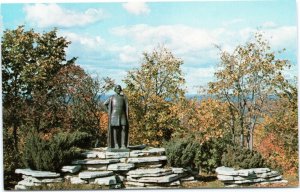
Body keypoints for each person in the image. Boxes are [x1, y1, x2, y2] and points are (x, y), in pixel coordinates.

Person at [104, 85, 129, 150]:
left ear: (121, 89)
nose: (118, 89)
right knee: (116, 130)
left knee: (124, 128)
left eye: (119, 88)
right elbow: (105, 104)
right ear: (115, 89)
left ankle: (123, 144)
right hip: (114, 115)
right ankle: (116, 144)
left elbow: (126, 106)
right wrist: (109, 112)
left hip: (123, 115)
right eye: (117, 88)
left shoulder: (123, 97)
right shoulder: (112, 97)